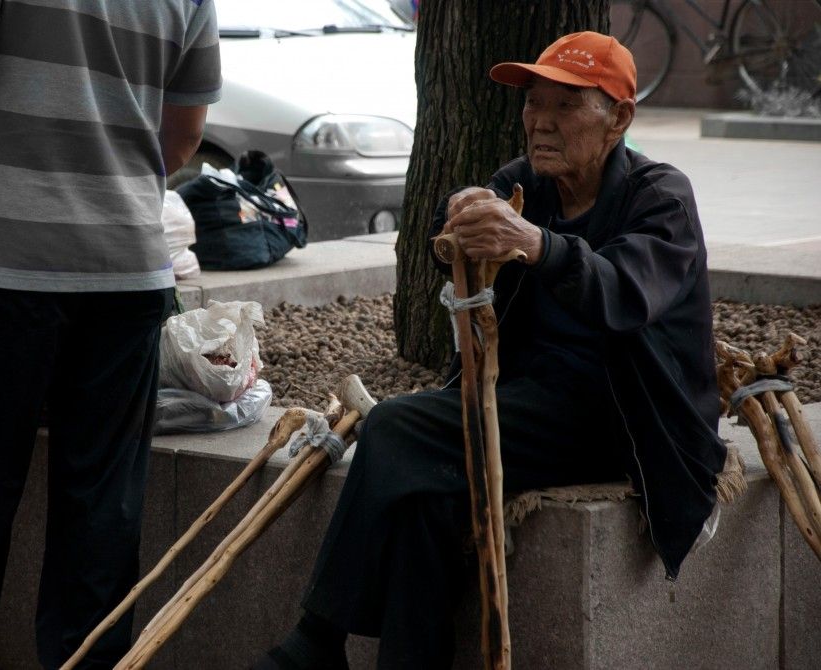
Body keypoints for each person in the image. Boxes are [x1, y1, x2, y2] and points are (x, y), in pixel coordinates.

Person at [255, 31, 726, 670]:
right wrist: (458, 217)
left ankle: (317, 641)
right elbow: (446, 244)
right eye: (534, 102)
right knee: (425, 498)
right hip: (531, 402)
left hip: (627, 422)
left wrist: (537, 244)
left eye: (566, 105)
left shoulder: (660, 196)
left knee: (392, 426)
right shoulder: (525, 182)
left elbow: (623, 291)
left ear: (618, 118)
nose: (541, 121)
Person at [0, 1, 221, 668]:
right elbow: (185, 130)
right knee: (102, 509)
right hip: (128, 272)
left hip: (5, 268)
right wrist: (115, 185)